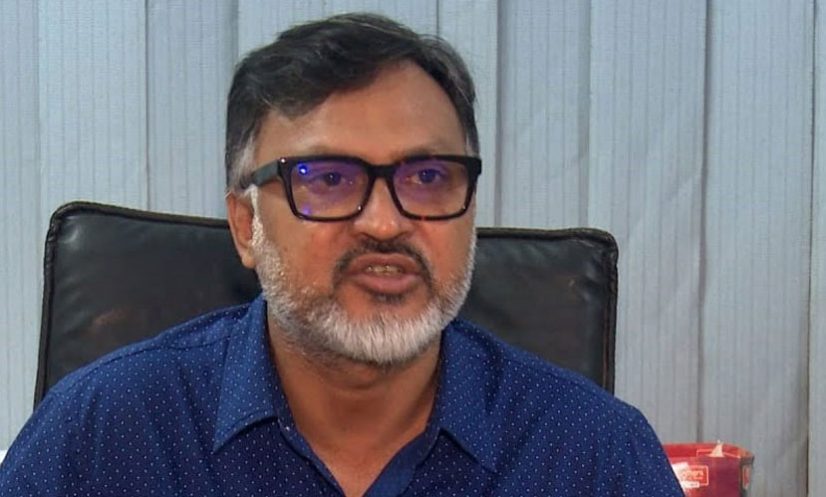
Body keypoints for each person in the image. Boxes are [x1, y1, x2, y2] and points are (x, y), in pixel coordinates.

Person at [0, 13, 683, 497]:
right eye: (326, 179)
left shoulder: (593, 453)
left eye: (428, 176)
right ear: (246, 224)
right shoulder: (101, 436)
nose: (385, 223)